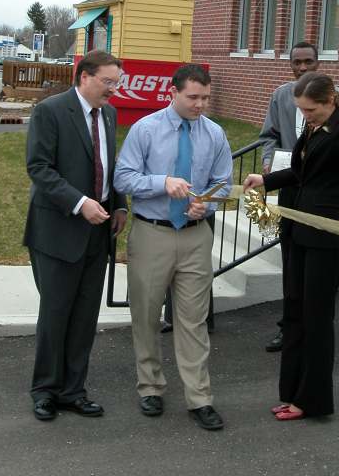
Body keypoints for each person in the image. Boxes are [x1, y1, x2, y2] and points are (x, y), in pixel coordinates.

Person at [114, 64, 232, 432]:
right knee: (146, 314)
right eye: (193, 97)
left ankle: (200, 398)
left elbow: (223, 183)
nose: (200, 104)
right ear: (173, 93)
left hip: (195, 236)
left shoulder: (214, 133)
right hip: (152, 233)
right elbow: (123, 177)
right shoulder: (145, 129)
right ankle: (150, 387)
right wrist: (161, 182)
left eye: (205, 98)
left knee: (193, 320)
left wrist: (206, 204)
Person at [244, 72, 339, 420]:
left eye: (311, 110)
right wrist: (265, 180)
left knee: (316, 317)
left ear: (330, 101)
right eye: (301, 110)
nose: (305, 116)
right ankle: (291, 391)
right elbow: (299, 172)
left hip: (326, 238)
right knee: (294, 311)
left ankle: (312, 400)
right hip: (297, 232)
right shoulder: (312, 128)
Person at [24, 50, 127, 421]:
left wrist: (119, 205)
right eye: (107, 82)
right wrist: (80, 203)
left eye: (117, 82)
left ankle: (73, 391)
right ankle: (45, 390)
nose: (113, 89)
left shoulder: (109, 115)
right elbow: (39, 167)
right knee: (56, 315)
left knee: (84, 317)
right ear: (84, 77)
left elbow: (108, 167)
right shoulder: (50, 111)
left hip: (97, 233)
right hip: (57, 232)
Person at [258, 41, 320, 352]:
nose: (303, 67)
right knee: (290, 260)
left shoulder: (334, 95)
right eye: (297, 62)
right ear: (290, 64)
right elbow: (268, 136)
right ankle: (289, 326)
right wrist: (268, 161)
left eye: (308, 61)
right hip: (289, 190)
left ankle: (314, 327)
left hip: (319, 195)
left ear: (318, 63)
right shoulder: (281, 96)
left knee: (315, 265)